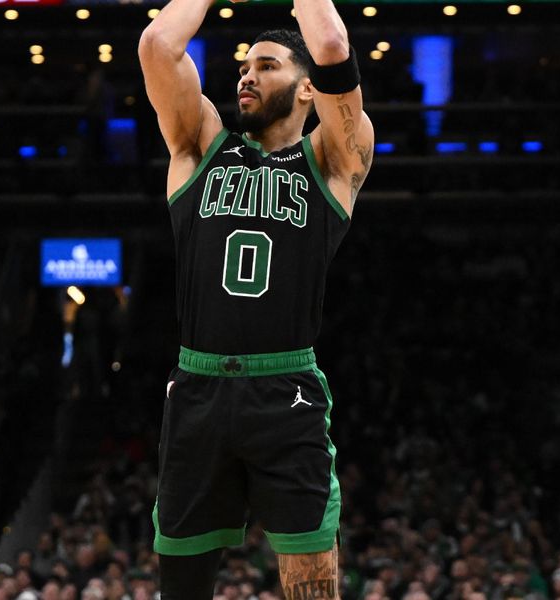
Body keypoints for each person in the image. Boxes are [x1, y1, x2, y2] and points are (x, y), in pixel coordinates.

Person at [138, 0, 374, 596]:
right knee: (182, 585)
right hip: (198, 387)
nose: (246, 75)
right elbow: (157, 47)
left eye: (266, 66)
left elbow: (333, 51)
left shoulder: (332, 158)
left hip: (285, 390)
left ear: (305, 92)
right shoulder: (200, 143)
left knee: (312, 587)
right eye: (243, 67)